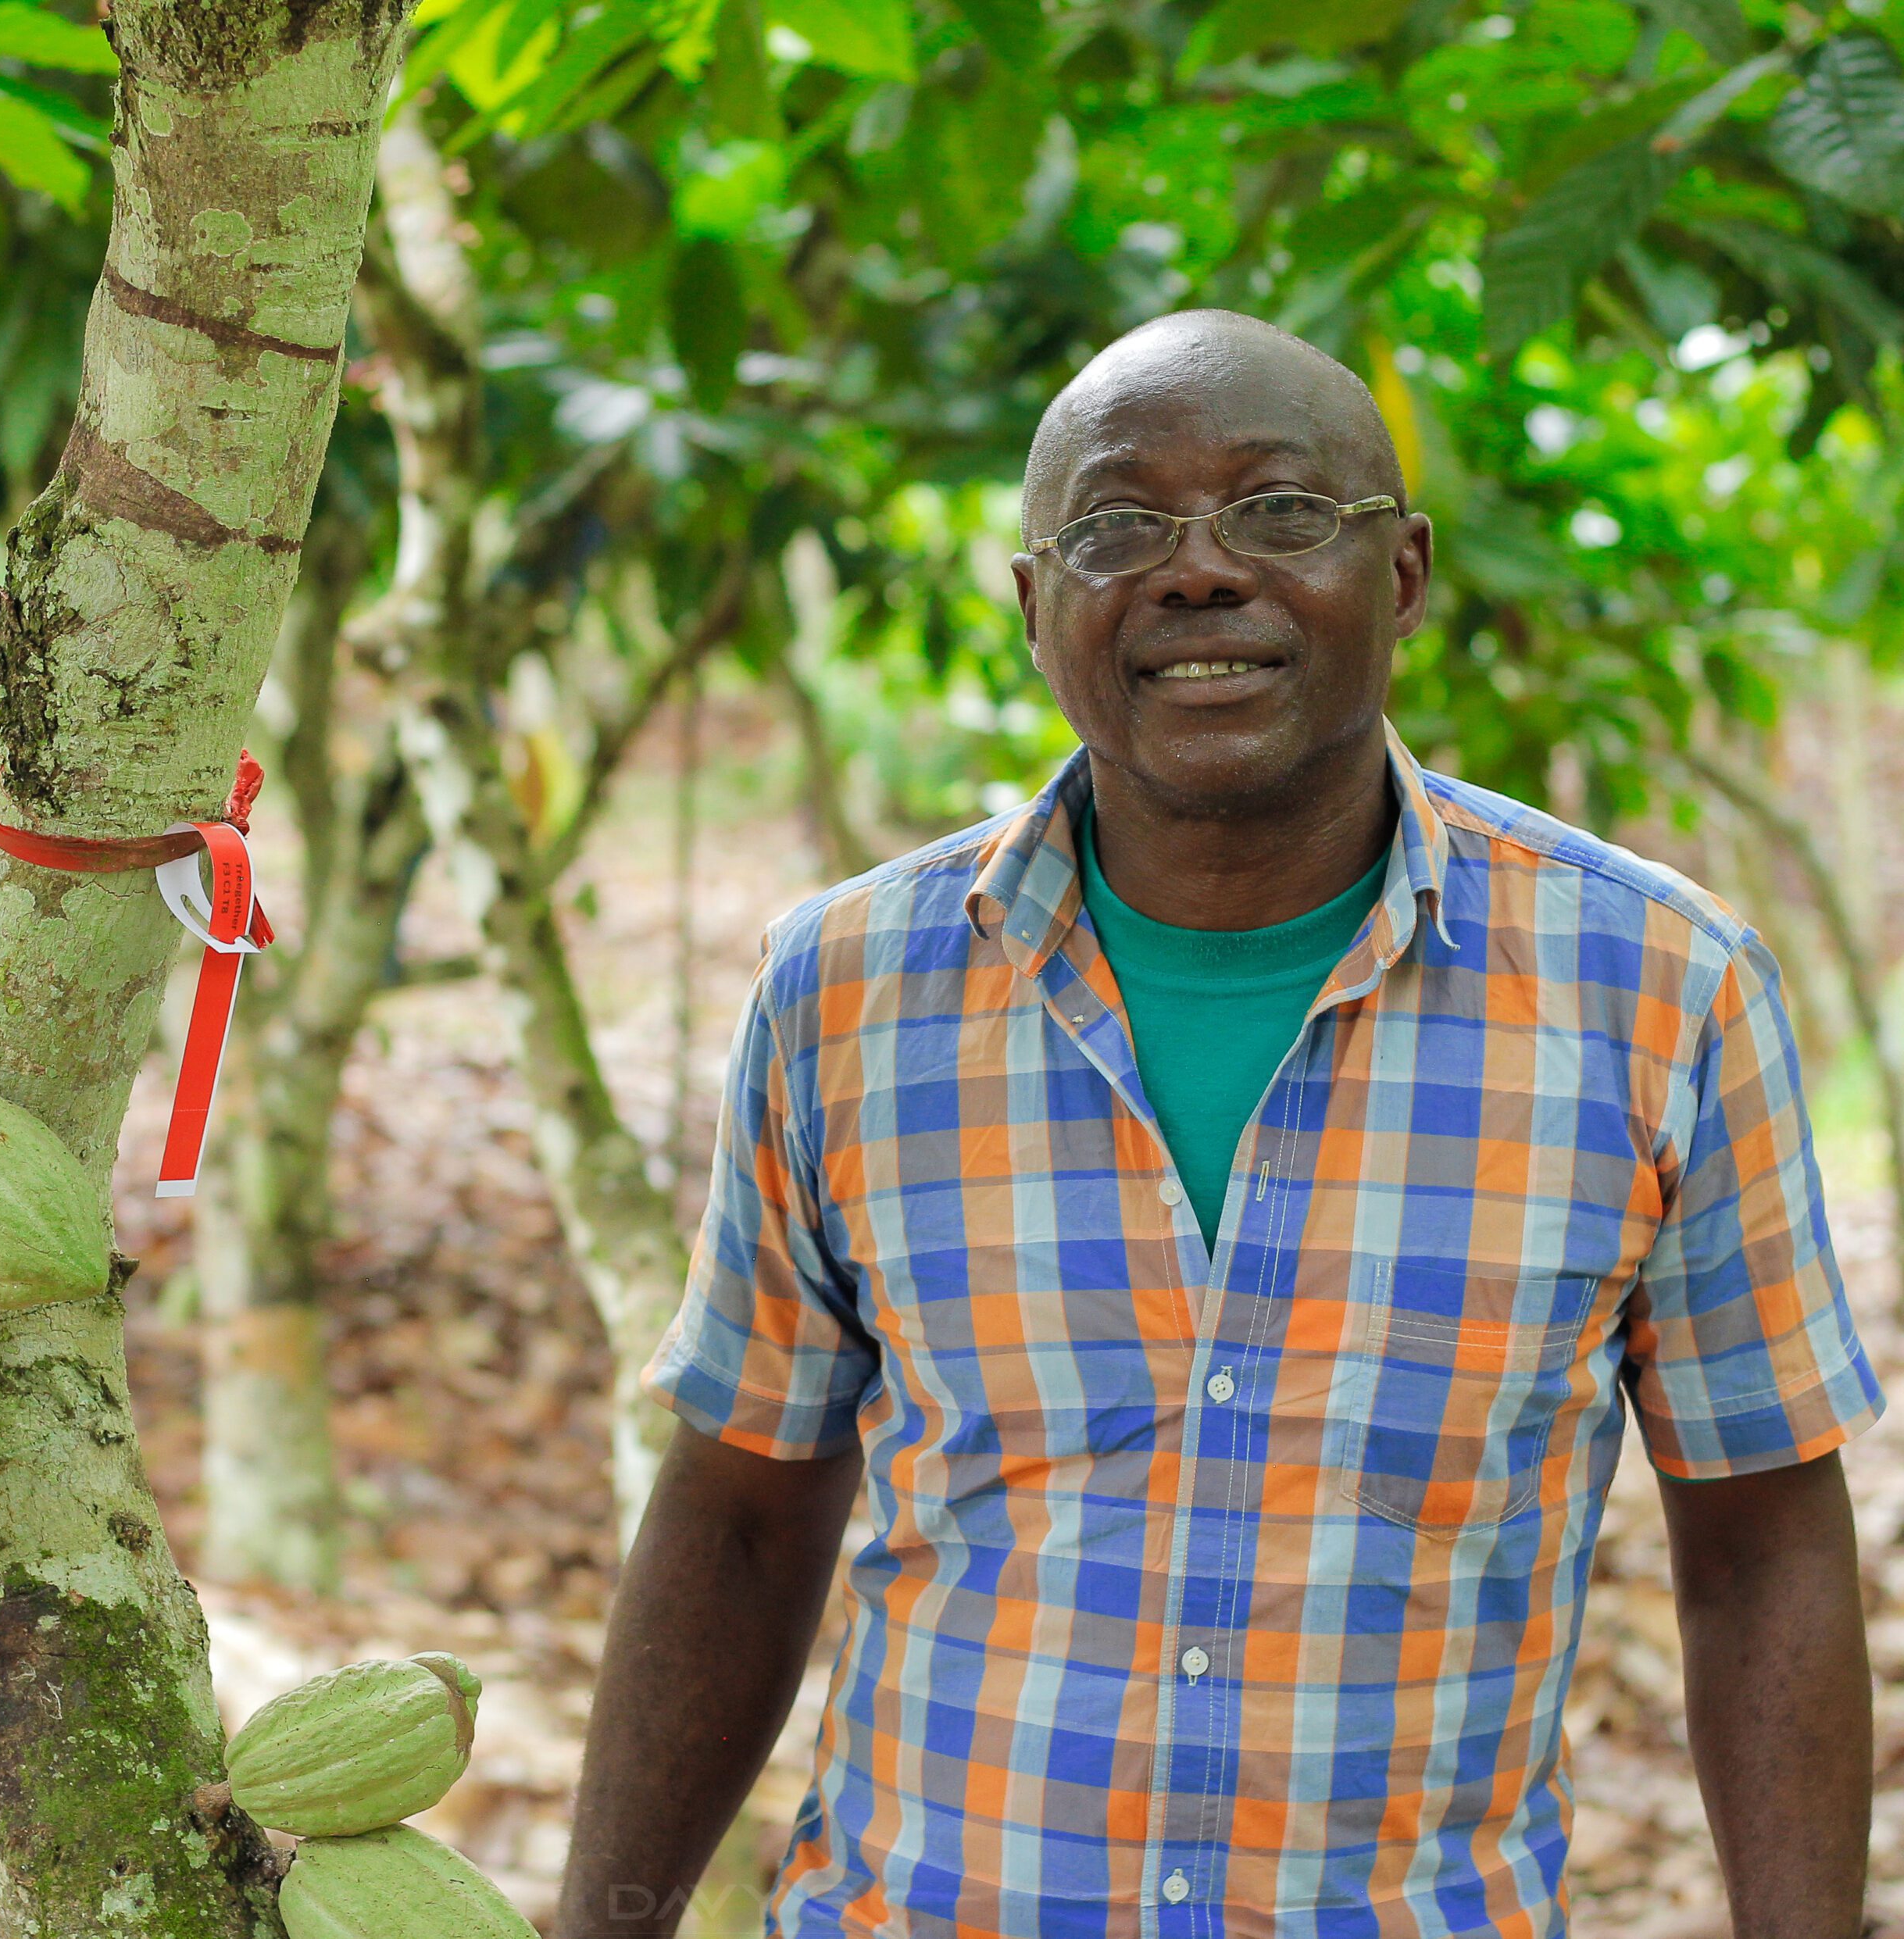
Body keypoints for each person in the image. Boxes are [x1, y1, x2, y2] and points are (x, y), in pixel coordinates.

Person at [557, 309, 1885, 1939]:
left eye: (1276, 511)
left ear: (1395, 579)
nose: (1196, 573)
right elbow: (744, 1509)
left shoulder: (1657, 991)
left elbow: (1757, 1537)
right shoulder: (843, 989)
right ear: (1036, 606)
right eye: (1119, 527)